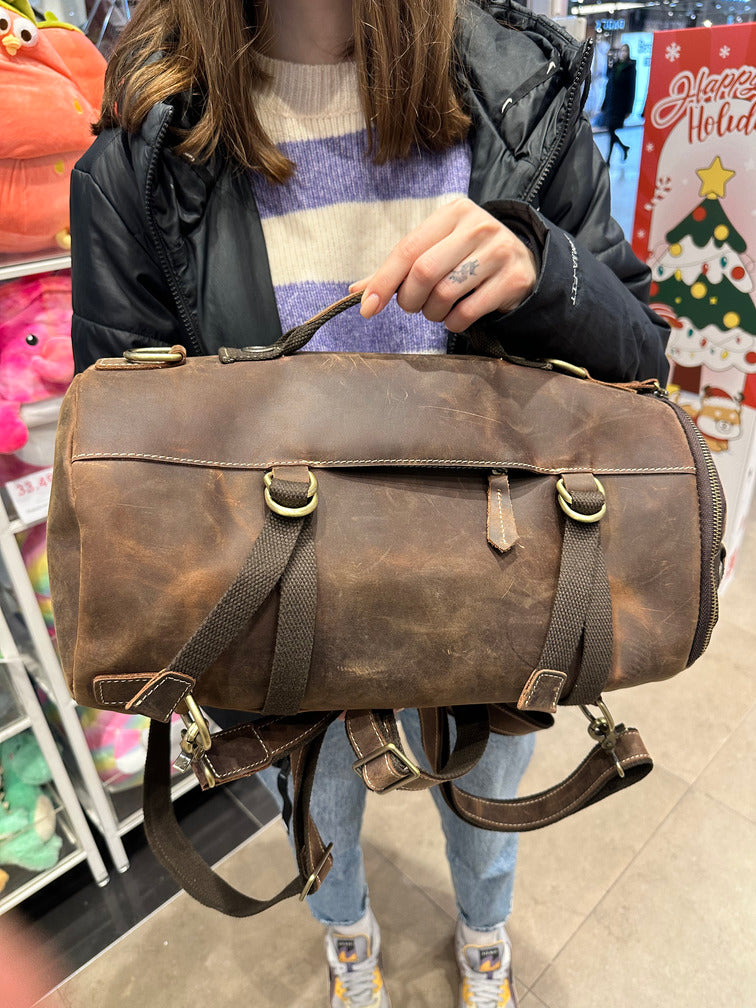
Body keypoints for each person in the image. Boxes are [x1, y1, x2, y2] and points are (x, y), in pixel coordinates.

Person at [68, 1, 669, 1005]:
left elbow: (640, 368)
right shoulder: (152, 132)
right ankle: (349, 944)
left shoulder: (520, 85)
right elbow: (132, 462)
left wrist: (543, 273)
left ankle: (485, 938)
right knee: (321, 823)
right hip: (272, 601)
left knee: (485, 807)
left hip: (495, 571)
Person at [601, 43, 637, 165]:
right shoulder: (615, 66)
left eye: (625, 51)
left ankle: (609, 159)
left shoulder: (630, 68)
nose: (623, 53)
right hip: (611, 103)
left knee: (611, 129)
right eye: (621, 51)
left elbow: (632, 89)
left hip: (620, 106)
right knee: (610, 129)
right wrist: (604, 104)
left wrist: (629, 109)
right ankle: (622, 148)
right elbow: (608, 83)